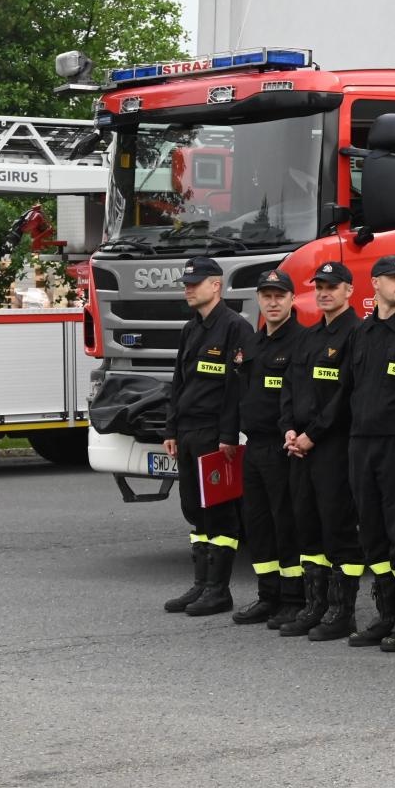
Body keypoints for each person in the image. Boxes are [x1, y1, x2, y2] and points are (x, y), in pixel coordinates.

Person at [319, 254, 395, 653]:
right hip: (361, 444)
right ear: (375, 284)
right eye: (393, 278)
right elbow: (344, 390)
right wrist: (311, 433)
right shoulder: (361, 333)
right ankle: (387, 613)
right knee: (371, 531)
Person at [281, 261, 367, 640]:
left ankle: (341, 611)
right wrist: (289, 430)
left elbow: (346, 395)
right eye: (319, 286)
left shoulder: (357, 335)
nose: (324, 292)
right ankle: (314, 606)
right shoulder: (308, 336)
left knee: (338, 528)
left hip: (332, 447)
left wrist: (312, 434)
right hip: (299, 447)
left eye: (332, 286)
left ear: (349, 290)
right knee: (307, 525)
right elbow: (290, 388)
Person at [160, 256, 249, 617]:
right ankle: (200, 584)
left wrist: (229, 435)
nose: (188, 287)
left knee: (219, 512)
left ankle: (218, 589)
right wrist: (171, 427)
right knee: (194, 510)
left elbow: (236, 388)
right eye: (186, 282)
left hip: (215, 433)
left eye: (195, 282)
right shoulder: (190, 329)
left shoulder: (235, 328)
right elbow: (179, 383)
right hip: (188, 431)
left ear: (217, 285)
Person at [232, 269, 308, 629]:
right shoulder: (252, 344)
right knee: (257, 524)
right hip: (254, 447)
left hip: (284, 447)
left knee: (286, 521)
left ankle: (294, 598)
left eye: (280, 295)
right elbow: (237, 395)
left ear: (292, 299)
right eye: (267, 296)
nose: (273, 302)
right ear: (259, 300)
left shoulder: (302, 342)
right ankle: (268, 595)